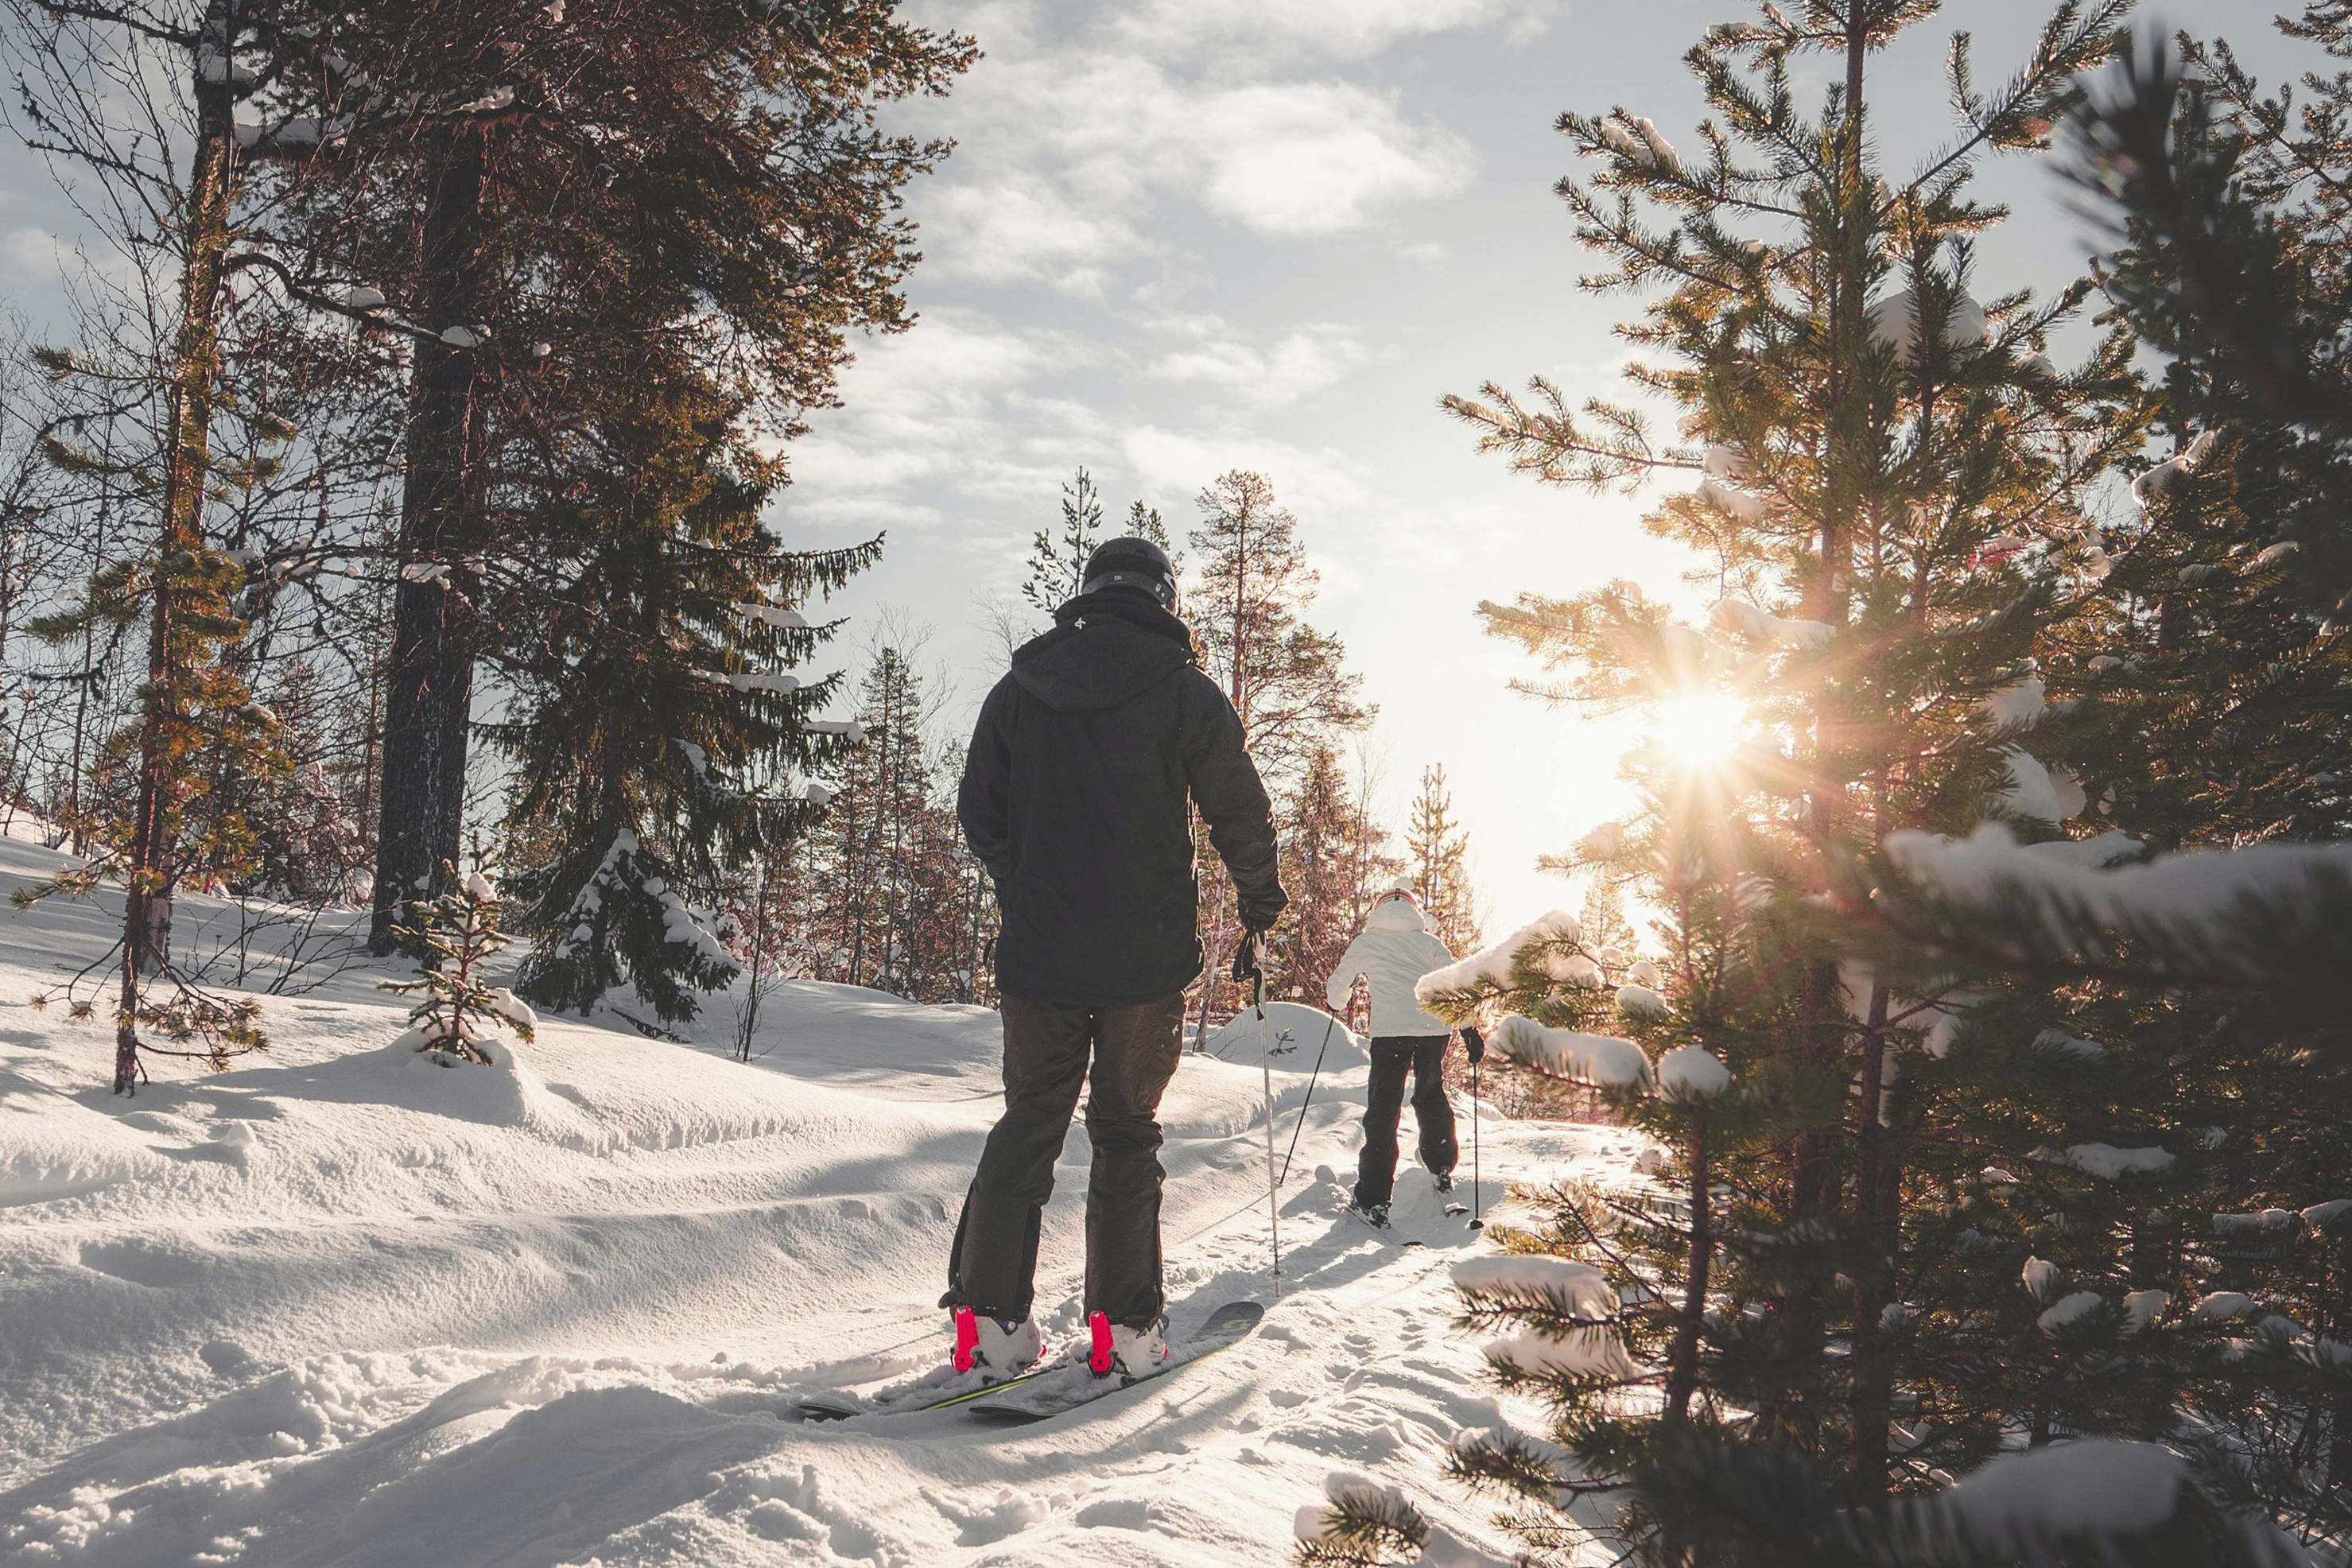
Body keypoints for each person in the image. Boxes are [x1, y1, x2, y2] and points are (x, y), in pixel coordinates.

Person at [948, 535, 1286, 1385]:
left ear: (1089, 593)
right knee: (1126, 1133)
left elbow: (978, 811)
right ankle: (1123, 1332)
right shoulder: (1184, 694)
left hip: (1040, 959)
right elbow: (1238, 810)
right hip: (1143, 965)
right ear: (1163, 599)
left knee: (1029, 1123)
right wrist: (1259, 905)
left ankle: (986, 1326)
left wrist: (1023, 878)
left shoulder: (1020, 689)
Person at [1325, 881, 1484, 1228]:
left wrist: (1337, 1001)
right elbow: (1457, 983)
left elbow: (1338, 988)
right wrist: (1469, 1028)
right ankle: (1441, 1169)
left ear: (1378, 911)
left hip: (1390, 1034)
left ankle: (1373, 1198)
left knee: (1384, 1110)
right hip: (1433, 1032)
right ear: (1414, 912)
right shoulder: (1429, 942)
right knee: (1430, 1095)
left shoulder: (1367, 942)